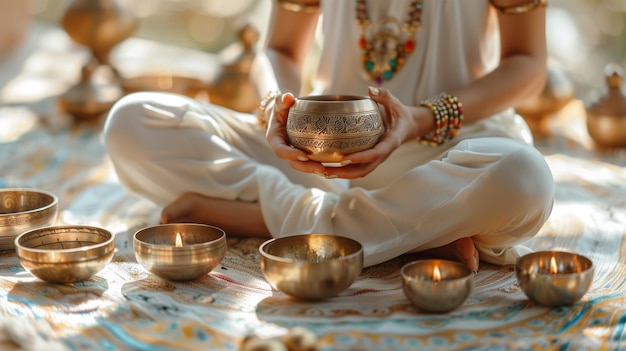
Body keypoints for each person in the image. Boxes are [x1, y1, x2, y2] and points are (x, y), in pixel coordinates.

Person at [103, 0, 554, 271]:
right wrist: (274, 110)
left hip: (448, 149)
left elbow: (529, 64)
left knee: (525, 177)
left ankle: (265, 218)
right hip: (323, 156)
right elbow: (279, 50)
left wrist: (420, 118)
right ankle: (415, 231)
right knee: (131, 123)